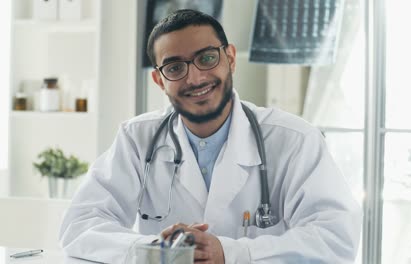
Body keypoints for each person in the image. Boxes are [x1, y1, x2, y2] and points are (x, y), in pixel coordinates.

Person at [59, 9, 362, 264]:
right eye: (175, 67)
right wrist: (157, 251)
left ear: (230, 58)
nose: (194, 78)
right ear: (159, 80)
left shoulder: (294, 139)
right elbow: (80, 225)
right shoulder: (137, 137)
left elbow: (335, 238)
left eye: (206, 58)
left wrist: (231, 253)